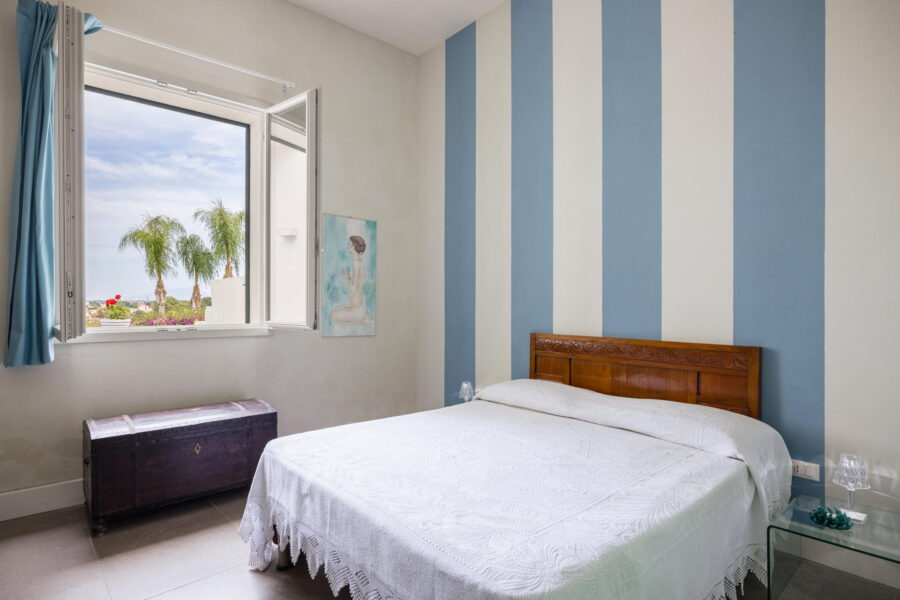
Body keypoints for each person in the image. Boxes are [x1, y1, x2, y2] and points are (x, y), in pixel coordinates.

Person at [330, 235, 373, 326]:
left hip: (357, 310)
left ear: (353, 246)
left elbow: (353, 289)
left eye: (349, 244)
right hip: (357, 307)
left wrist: (346, 279)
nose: (347, 246)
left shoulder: (356, 264)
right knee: (334, 312)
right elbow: (357, 283)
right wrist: (349, 276)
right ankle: (363, 319)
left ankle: (362, 319)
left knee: (333, 316)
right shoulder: (358, 262)